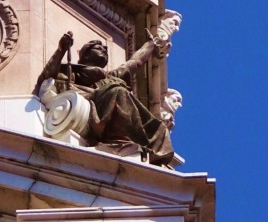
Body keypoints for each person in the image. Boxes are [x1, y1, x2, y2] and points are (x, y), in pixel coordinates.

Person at [38, 31, 175, 166]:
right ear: (85, 56)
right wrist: (61, 50)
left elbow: (135, 62)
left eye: (105, 49)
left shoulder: (111, 76)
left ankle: (156, 157)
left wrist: (151, 44)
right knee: (118, 91)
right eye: (98, 48)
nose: (104, 50)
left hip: (110, 97)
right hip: (90, 100)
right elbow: (46, 78)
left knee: (159, 127)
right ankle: (117, 142)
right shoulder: (74, 72)